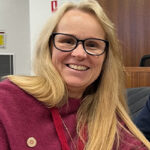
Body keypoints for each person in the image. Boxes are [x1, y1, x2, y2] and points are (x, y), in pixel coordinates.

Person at [0, 0, 150, 149]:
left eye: (92, 44)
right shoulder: (7, 100)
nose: (79, 54)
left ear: (106, 58)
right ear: (48, 47)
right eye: (67, 41)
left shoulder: (109, 120)